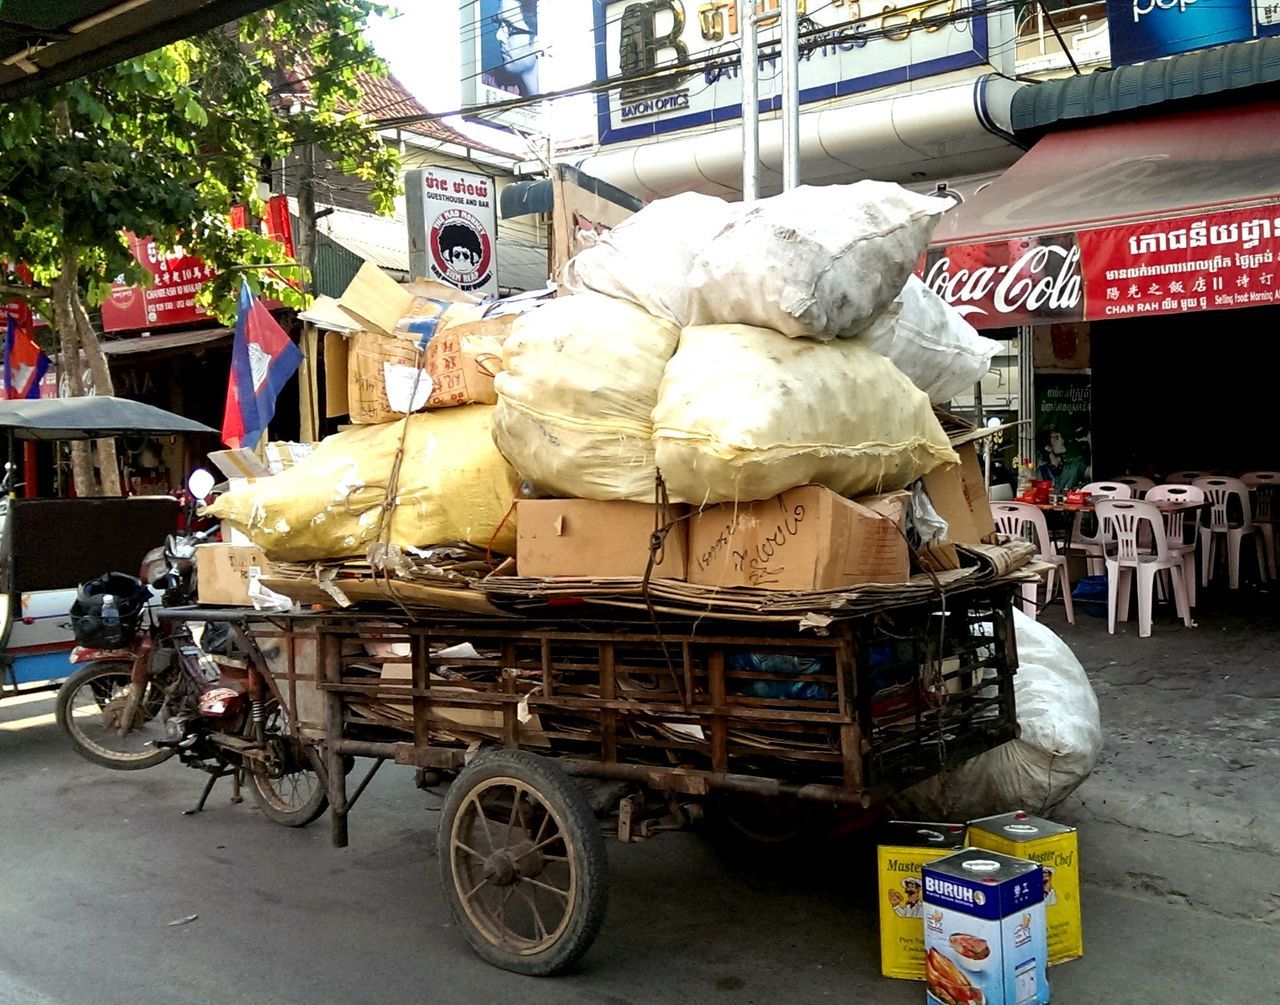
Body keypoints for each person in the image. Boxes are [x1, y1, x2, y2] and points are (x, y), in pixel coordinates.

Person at [484, 0, 539, 98]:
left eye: (510, 27)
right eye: (498, 23)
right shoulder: (488, 84)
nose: (499, 36)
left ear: (538, 38)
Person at [1037, 426, 1087, 493]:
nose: (1062, 440)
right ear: (1048, 447)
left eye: (1061, 437)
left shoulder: (1075, 466)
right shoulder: (1041, 473)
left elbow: (1094, 473)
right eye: (1057, 438)